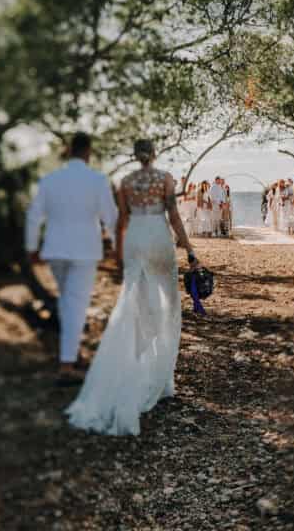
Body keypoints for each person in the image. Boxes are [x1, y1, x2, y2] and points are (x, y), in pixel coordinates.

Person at [66, 138, 200, 436]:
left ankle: (137, 369)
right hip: (157, 238)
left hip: (136, 239)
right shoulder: (165, 179)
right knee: (168, 305)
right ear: (154, 154)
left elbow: (121, 221)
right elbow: (174, 217)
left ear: (134, 155)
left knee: (134, 305)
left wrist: (117, 254)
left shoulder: (124, 182)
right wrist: (190, 251)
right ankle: (162, 380)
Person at [25, 131, 117, 386]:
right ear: (88, 151)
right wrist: (119, 247)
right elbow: (110, 217)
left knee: (68, 302)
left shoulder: (50, 180)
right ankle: (66, 367)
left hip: (55, 250)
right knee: (75, 304)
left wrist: (31, 248)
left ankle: (73, 353)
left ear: (69, 150)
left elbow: (33, 216)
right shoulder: (97, 180)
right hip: (84, 251)